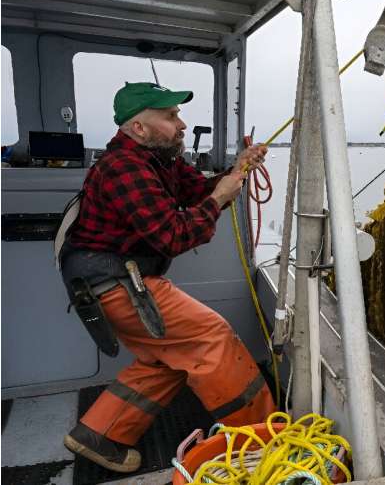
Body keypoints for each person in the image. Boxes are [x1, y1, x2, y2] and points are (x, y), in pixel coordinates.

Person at [59, 82, 275, 473]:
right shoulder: (123, 167)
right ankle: (261, 445)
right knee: (211, 338)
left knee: (170, 354)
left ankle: (99, 434)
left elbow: (199, 191)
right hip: (114, 285)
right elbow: (173, 235)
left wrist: (237, 170)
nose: (181, 124)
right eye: (170, 116)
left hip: (112, 281)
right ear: (138, 128)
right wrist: (220, 198)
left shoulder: (159, 160)